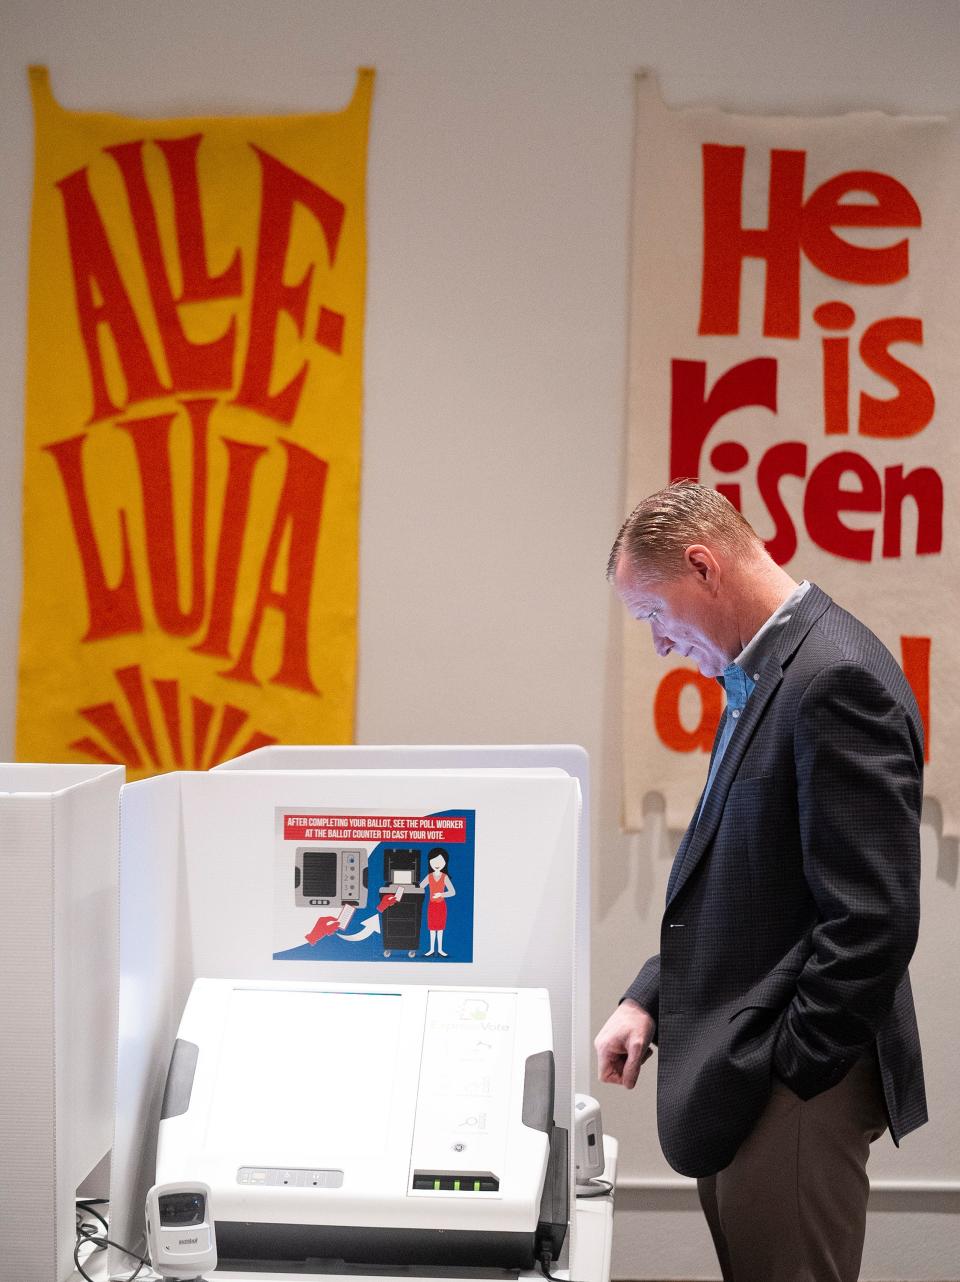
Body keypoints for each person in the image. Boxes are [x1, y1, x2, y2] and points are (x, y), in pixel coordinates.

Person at [594, 481, 926, 1282]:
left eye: (653, 616)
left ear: (703, 566)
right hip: (751, 1079)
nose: (661, 645)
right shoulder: (770, 669)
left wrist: (791, 1073)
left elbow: (872, 921)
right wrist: (651, 994)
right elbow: (745, 885)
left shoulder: (834, 677)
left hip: (797, 1091)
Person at [421, 847, 455, 956]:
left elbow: (452, 892)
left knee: (440, 929)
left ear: (445, 862)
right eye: (434, 861)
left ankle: (440, 949)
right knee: (432, 928)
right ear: (430, 862)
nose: (437, 864)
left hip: (441, 905)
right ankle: (431, 949)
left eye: (440, 861)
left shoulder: (445, 877)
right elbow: (420, 887)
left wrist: (441, 894)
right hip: (431, 905)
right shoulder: (429, 876)